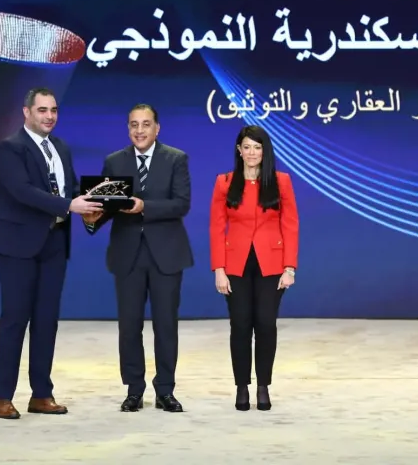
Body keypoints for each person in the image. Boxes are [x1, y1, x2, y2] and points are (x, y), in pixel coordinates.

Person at [0, 87, 103, 420]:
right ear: (26, 112)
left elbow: (71, 188)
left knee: (46, 321)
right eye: (42, 110)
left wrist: (96, 205)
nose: (49, 116)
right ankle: (3, 397)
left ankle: (41, 394)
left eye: (53, 110)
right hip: (16, 246)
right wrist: (69, 206)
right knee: (15, 319)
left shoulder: (60, 147)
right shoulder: (9, 148)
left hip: (54, 244)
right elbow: (22, 191)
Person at [82, 104, 194, 413]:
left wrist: (145, 206)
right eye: (134, 124)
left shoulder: (176, 159)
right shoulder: (114, 161)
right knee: (129, 326)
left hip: (166, 254)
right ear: (128, 128)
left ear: (157, 128)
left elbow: (181, 204)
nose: (140, 130)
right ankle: (134, 390)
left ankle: (165, 390)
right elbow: (106, 206)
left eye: (146, 124)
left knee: (165, 326)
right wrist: (91, 218)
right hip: (127, 254)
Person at [209, 125, 299, 411]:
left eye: (257, 147)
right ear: (239, 150)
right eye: (246, 147)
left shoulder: (281, 181)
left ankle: (263, 386)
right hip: (235, 265)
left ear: (265, 151)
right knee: (240, 325)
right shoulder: (224, 182)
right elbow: (216, 227)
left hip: (271, 264)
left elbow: (290, 224)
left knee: (265, 324)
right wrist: (219, 269)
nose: (251, 153)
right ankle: (241, 387)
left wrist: (289, 267)